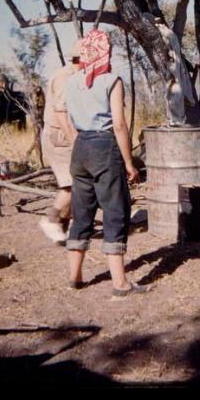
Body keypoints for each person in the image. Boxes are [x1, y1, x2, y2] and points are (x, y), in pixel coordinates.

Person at [65, 28, 151, 297]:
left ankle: (75, 278)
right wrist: (129, 162)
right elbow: (120, 124)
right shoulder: (112, 80)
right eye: (109, 50)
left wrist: (80, 145)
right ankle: (120, 283)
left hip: (80, 148)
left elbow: (68, 119)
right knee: (115, 211)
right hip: (104, 146)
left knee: (82, 212)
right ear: (104, 53)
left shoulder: (72, 82)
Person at [39, 41, 82, 244]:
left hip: (65, 135)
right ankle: (52, 219)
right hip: (60, 136)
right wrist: (75, 140)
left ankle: (61, 228)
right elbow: (61, 112)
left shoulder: (74, 75)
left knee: (78, 183)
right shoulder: (66, 77)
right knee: (72, 184)